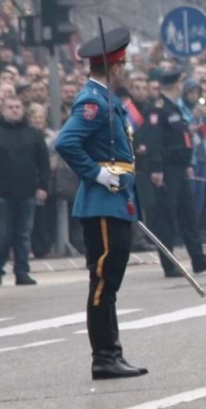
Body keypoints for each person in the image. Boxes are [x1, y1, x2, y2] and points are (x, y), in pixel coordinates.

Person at [54, 28, 147, 379]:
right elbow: (66, 142)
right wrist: (94, 173)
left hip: (115, 200)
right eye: (123, 64)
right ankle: (104, 357)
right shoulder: (93, 101)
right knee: (104, 281)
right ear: (116, 67)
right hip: (101, 201)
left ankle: (112, 353)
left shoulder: (106, 98)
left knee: (110, 282)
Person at [143, 67, 206, 278]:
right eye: (181, 83)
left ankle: (198, 258)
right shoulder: (158, 109)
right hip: (166, 169)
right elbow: (154, 140)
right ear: (177, 84)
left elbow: (180, 138)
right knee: (166, 217)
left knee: (188, 214)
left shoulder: (173, 108)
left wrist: (187, 162)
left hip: (179, 167)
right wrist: (157, 168)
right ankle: (169, 264)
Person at [0, 97, 49, 286]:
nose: (14, 110)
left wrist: (43, 186)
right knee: (2, 235)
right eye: (10, 107)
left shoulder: (33, 134)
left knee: (23, 235)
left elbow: (43, 163)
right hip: (2, 193)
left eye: (18, 107)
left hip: (27, 193)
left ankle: (22, 272)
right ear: (3, 110)